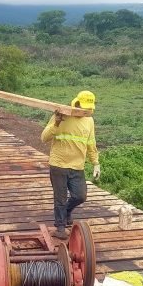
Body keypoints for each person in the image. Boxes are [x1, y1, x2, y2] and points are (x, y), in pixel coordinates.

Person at [40, 90, 100, 239]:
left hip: (77, 166)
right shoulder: (61, 115)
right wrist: (57, 123)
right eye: (84, 107)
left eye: (89, 108)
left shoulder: (89, 120)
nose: (86, 110)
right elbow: (44, 138)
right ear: (77, 103)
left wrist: (95, 163)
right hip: (58, 164)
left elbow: (91, 143)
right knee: (59, 197)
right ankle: (60, 227)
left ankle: (66, 211)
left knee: (80, 196)